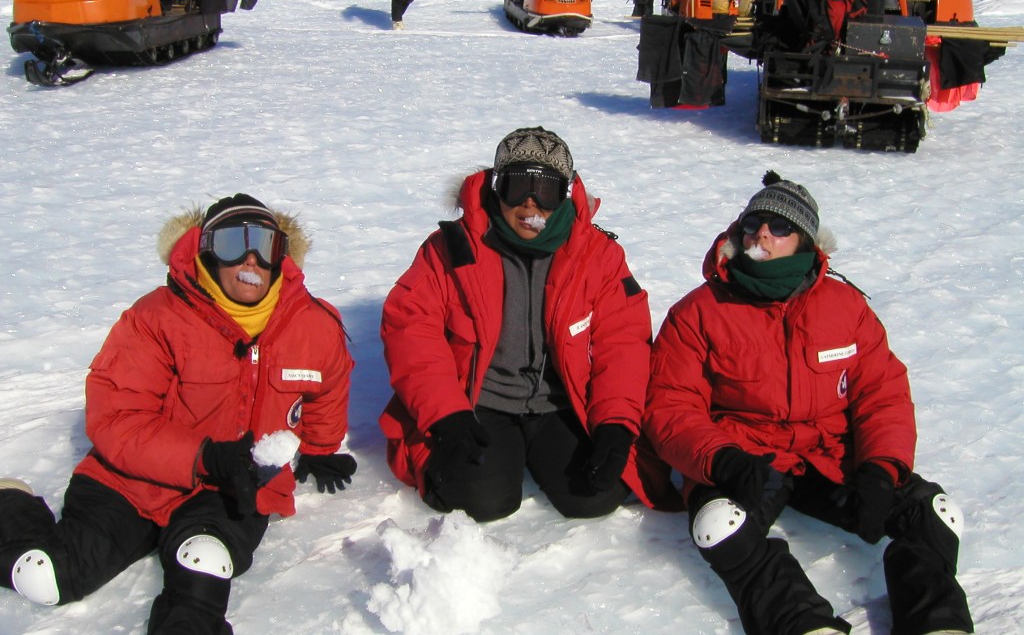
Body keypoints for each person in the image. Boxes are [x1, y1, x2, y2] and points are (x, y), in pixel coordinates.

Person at [0, 194, 356, 634]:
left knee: (203, 565)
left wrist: (321, 447)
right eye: (231, 242)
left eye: (265, 245)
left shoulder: (313, 323)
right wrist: (206, 456)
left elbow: (326, 385)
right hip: (130, 482)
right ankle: (7, 501)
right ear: (206, 250)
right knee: (45, 576)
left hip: (230, 488)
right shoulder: (155, 318)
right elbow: (117, 418)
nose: (250, 258)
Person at [644, 171, 974, 635]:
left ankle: (936, 622)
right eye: (754, 223)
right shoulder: (699, 312)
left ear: (804, 242)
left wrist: (881, 468)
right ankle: (802, 624)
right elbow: (670, 406)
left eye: (780, 228)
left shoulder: (844, 306)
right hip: (747, 456)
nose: (763, 234)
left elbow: (883, 391)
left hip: (829, 455)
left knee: (932, 511)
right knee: (720, 525)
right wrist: (723, 462)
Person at [379, 126, 680, 523]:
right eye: (517, 187)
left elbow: (622, 341)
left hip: (557, 401)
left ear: (567, 195)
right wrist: (446, 414)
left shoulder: (597, 255)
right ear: (496, 188)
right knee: (481, 500)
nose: (531, 204)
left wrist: (615, 423)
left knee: (595, 494)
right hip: (478, 400)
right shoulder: (452, 248)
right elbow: (411, 330)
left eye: (548, 190)